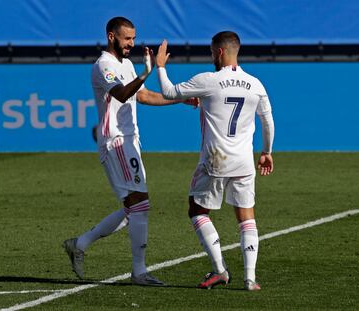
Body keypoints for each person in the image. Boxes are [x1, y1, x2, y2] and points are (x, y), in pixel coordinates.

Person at [63, 16, 197, 286]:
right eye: (127, 39)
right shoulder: (104, 65)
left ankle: (80, 244)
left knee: (132, 207)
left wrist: (180, 99)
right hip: (116, 141)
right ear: (111, 36)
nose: (131, 44)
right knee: (139, 205)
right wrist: (145, 73)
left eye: (133, 38)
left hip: (130, 140)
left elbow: (143, 96)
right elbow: (122, 94)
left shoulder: (126, 64)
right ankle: (139, 272)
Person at [155, 31, 275, 290]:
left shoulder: (208, 80)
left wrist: (161, 66)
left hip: (215, 160)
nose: (211, 56)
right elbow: (267, 121)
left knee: (197, 210)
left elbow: (167, 92)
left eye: (212, 52)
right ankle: (250, 278)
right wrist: (266, 151)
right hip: (244, 161)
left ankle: (220, 269)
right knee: (246, 216)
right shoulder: (255, 84)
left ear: (219, 52)